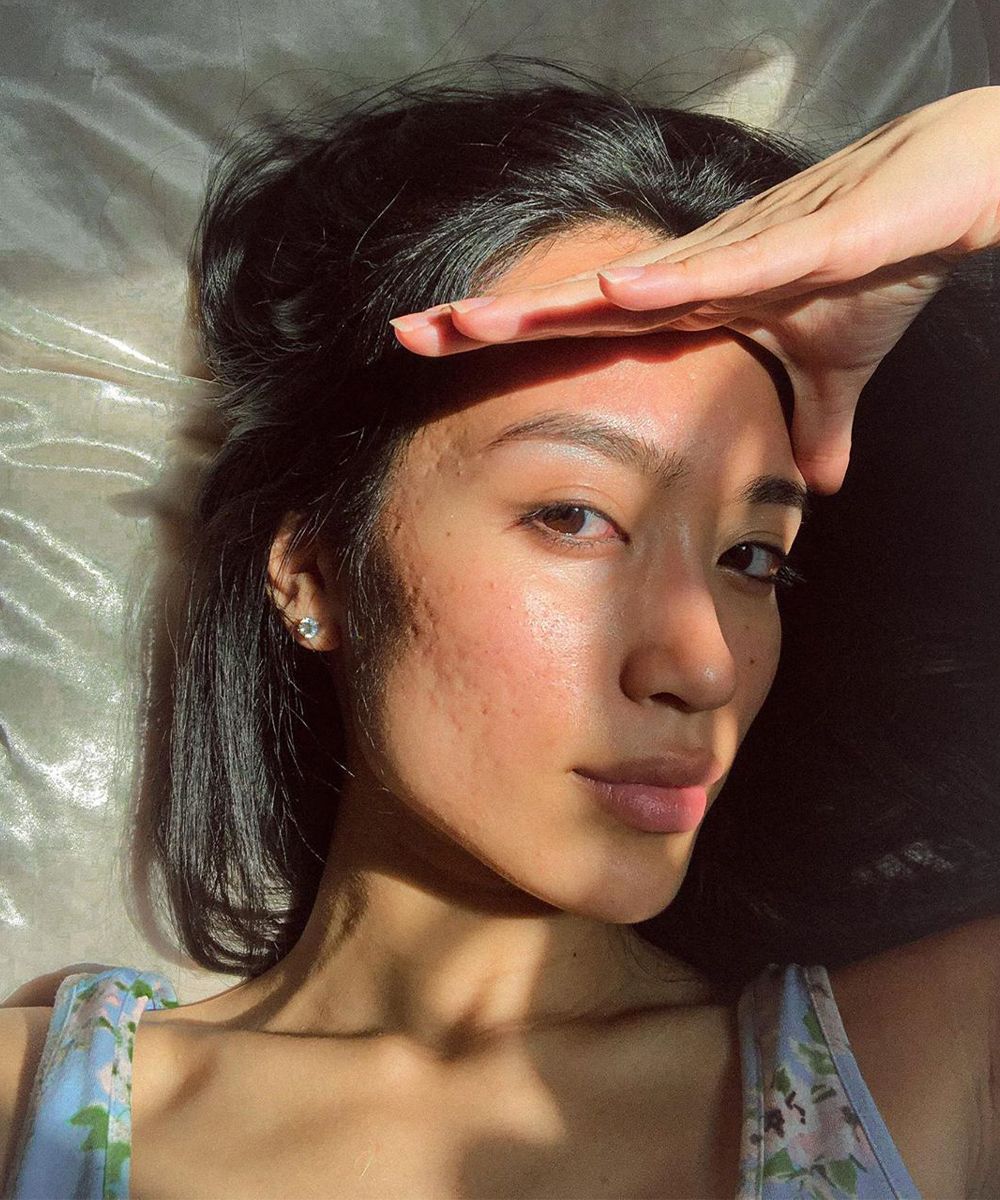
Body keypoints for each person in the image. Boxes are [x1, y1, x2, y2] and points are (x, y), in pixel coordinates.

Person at [1, 58, 999, 1200]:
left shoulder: (935, 1064)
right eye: (574, 516)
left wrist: (983, 155)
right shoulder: (35, 1104)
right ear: (314, 571)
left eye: (750, 557)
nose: (702, 661)